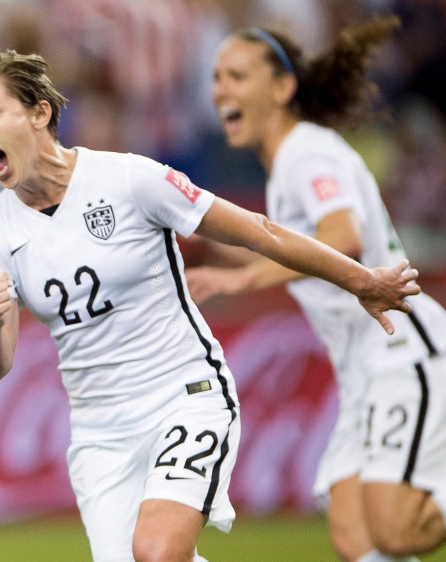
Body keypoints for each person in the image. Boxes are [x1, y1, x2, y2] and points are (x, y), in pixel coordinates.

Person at [0, 49, 420, 562]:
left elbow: (259, 231)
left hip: (184, 396)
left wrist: (362, 280)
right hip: (98, 433)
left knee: (157, 551)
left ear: (39, 113)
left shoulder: (129, 180)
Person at [187, 17, 446, 562]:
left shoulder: (307, 152)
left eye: (236, 75)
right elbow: (279, 241)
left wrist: (241, 278)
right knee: (356, 538)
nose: (221, 90)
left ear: (282, 88)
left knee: (398, 531)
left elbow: (341, 239)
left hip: (399, 345)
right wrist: (186, 222)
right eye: (216, 77)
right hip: (364, 365)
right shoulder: (288, 168)